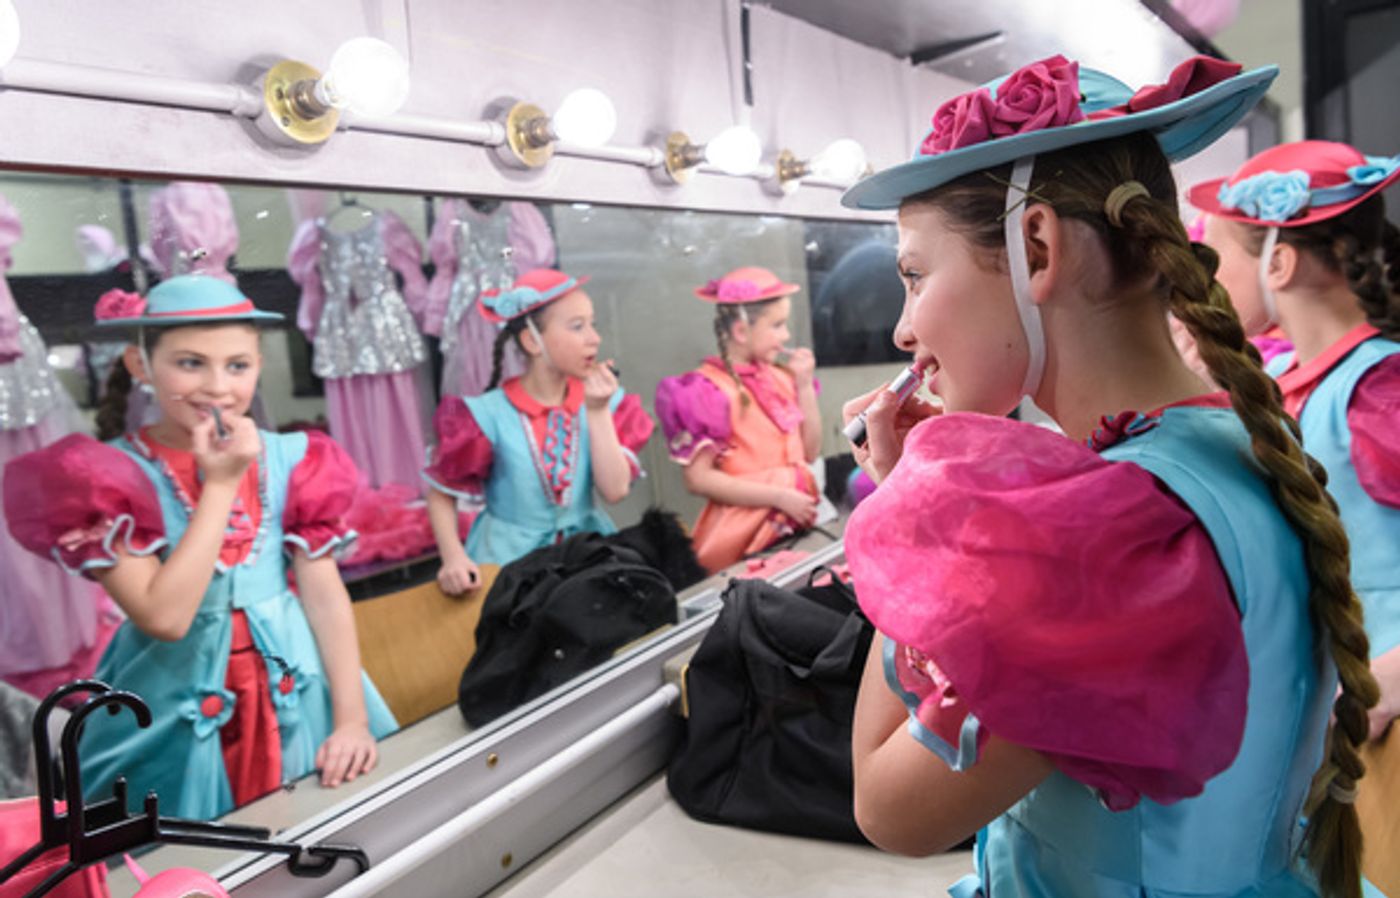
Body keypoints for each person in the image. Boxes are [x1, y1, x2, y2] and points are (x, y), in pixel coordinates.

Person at [838, 54, 1376, 897]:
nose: (906, 330)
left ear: (1036, 247)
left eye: (914, 275)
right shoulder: (1235, 441)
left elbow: (891, 809)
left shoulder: (1104, 532)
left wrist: (915, 509)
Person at [3, 275, 397, 820]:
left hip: (294, 685)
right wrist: (220, 484)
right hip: (166, 701)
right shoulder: (104, 476)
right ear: (141, 365)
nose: (217, 386)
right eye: (190, 363)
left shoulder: (295, 458)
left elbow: (325, 597)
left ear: (259, 364)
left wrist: (351, 719)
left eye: (237, 365)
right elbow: (165, 617)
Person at [1187, 140, 1400, 745]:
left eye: (1215, 257)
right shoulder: (1284, 384)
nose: (1204, 279)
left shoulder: (1380, 392)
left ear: (1278, 264)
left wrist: (1389, 678)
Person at [423, 268, 653, 594]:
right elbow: (441, 493)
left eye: (593, 324)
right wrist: (453, 557)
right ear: (532, 341)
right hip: (507, 565)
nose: (594, 338)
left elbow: (615, 491)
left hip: (587, 557)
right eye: (577, 327)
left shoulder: (605, 403)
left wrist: (597, 411)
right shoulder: (487, 415)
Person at [654, 266, 823, 573]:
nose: (785, 336)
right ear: (741, 331)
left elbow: (810, 452)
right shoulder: (708, 390)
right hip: (741, 537)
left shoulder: (781, 377)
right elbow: (698, 479)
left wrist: (803, 386)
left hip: (793, 527)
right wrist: (778, 496)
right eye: (777, 325)